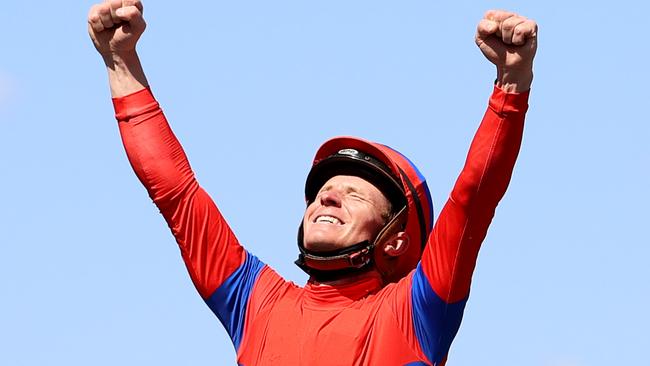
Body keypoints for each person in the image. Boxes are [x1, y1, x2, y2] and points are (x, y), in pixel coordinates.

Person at [88, 1, 537, 365]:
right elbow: (175, 192)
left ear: (396, 240)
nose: (328, 194)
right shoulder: (254, 301)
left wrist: (511, 85)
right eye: (325, 190)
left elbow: (473, 197)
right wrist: (121, 61)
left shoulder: (415, 312)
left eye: (355, 193)